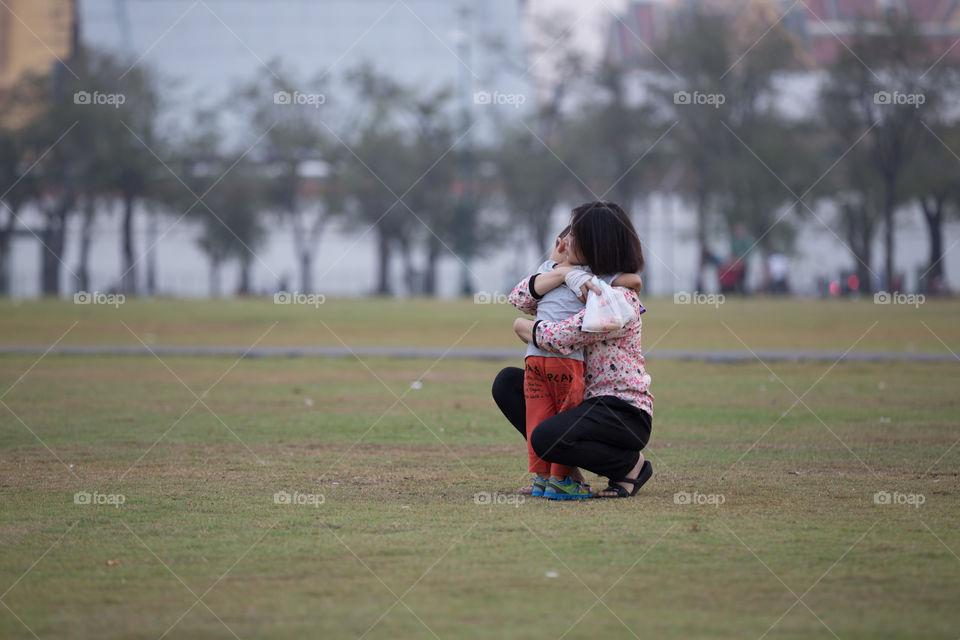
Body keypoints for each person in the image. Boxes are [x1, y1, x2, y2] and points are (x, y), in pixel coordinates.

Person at [494, 201, 653, 499]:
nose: (565, 241)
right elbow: (520, 298)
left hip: (618, 410)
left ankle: (631, 466)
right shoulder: (580, 282)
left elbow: (561, 337)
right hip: (578, 398)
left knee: (546, 437)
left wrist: (524, 328)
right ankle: (567, 476)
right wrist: (560, 271)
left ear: (596, 243)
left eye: (574, 235)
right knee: (507, 383)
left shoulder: (618, 300)